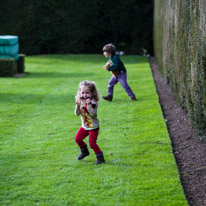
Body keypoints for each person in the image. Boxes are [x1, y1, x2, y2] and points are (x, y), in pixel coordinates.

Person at [74, 80, 105, 164]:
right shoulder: (80, 102)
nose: (84, 95)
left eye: (87, 93)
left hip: (93, 127)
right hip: (85, 126)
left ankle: (100, 157)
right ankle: (84, 152)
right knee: (77, 139)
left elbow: (92, 113)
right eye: (82, 92)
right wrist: (77, 105)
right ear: (80, 93)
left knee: (92, 143)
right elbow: (77, 114)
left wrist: (88, 104)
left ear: (92, 93)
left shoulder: (93, 103)